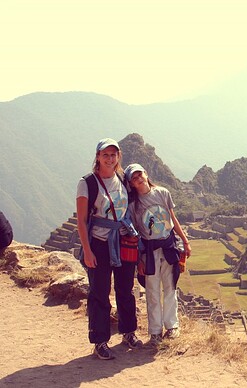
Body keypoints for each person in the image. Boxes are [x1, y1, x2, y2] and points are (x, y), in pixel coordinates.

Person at [76, 138, 142, 360]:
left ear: (118, 156)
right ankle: (100, 341)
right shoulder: (87, 183)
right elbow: (82, 221)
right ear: (97, 156)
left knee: (125, 289)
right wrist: (87, 250)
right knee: (100, 292)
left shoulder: (122, 180)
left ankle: (128, 332)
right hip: (99, 243)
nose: (110, 158)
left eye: (113, 155)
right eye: (105, 154)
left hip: (122, 240)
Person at [125, 163, 191, 345]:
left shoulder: (163, 193)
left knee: (170, 288)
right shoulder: (133, 205)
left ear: (146, 174)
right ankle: (155, 331)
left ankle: (172, 327)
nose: (138, 178)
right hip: (149, 251)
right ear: (131, 183)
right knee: (152, 292)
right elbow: (135, 232)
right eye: (134, 177)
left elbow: (172, 218)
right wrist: (139, 259)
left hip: (168, 247)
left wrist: (185, 241)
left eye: (140, 174)